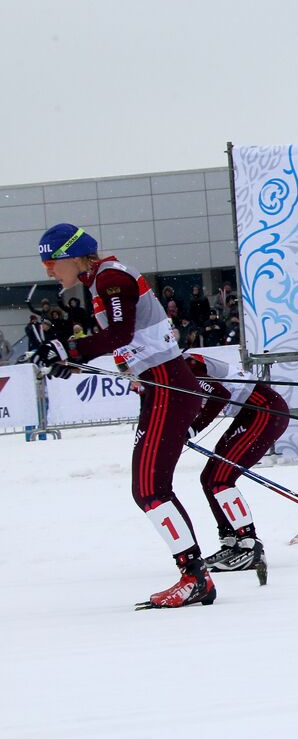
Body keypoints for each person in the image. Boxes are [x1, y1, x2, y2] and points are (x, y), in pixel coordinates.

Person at [33, 223, 215, 608]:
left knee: (149, 489)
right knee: (150, 487)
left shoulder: (111, 278)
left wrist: (68, 350)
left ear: (75, 255)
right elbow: (126, 344)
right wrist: (72, 360)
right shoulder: (102, 280)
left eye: (52, 260)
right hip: (159, 388)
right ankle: (194, 573)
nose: (48, 269)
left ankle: (194, 575)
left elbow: (120, 333)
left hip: (168, 387)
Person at [184, 350, 287, 572]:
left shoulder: (186, 366)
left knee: (221, 479)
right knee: (209, 478)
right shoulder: (172, 369)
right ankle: (231, 540)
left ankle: (250, 544)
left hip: (264, 411)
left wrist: (190, 430)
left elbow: (218, 396)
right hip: (249, 414)